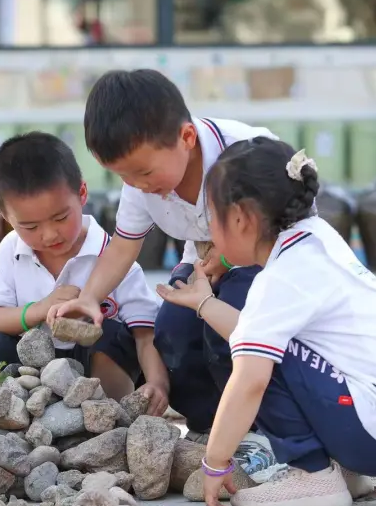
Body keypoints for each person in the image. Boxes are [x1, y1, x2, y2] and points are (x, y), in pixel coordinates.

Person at [156, 138, 376, 506]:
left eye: (211, 218)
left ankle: (313, 476)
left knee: (261, 359)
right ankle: (343, 471)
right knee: (264, 346)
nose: (208, 235)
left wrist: (215, 461)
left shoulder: (282, 275)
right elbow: (250, 331)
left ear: (240, 218)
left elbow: (251, 377)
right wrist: (205, 304)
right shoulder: (315, 239)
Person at [48, 68, 274, 430]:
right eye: (123, 176)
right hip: (201, 262)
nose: (137, 185)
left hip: (266, 263)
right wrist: (90, 296)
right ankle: (209, 427)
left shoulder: (247, 153)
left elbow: (288, 226)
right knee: (172, 331)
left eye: (144, 172)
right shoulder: (140, 184)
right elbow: (124, 246)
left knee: (226, 329)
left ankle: (262, 429)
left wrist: (232, 256)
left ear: (186, 137)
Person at [0, 132, 163, 404]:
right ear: (5, 216)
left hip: (90, 368)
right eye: (30, 227)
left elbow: (145, 331)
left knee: (113, 338)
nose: (49, 235)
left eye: (60, 218)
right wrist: (38, 310)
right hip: (27, 374)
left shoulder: (112, 254)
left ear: (82, 193)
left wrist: (157, 383)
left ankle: (109, 415)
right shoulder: (10, 252)